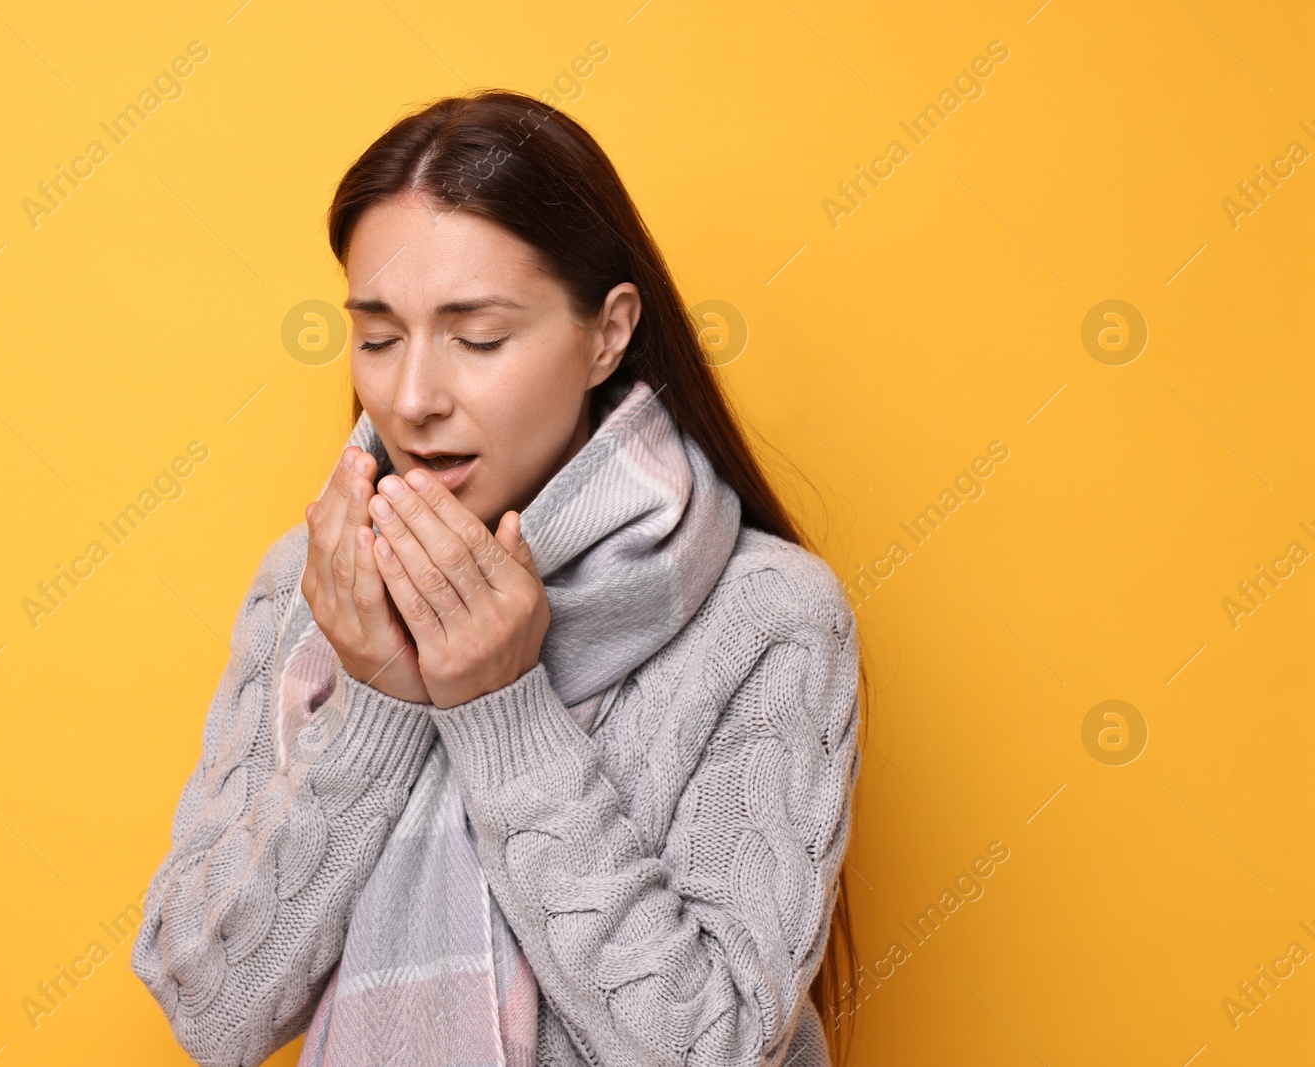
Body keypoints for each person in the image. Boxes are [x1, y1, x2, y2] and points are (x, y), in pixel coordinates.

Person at [130, 88, 865, 1067]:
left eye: (477, 337)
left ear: (606, 331)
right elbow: (213, 1010)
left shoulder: (769, 616)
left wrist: (500, 708)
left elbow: (708, 1050)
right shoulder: (314, 586)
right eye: (379, 336)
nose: (411, 397)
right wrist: (380, 699)